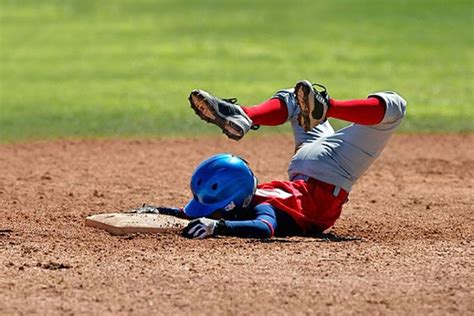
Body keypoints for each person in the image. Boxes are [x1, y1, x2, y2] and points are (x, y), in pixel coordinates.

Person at [170, 80, 407, 239]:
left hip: (330, 170)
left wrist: (218, 226)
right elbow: (257, 224)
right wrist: (208, 223)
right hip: (308, 167)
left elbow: (262, 227)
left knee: (394, 108)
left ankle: (246, 116)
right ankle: (250, 115)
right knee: (294, 100)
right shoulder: (252, 197)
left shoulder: (259, 205)